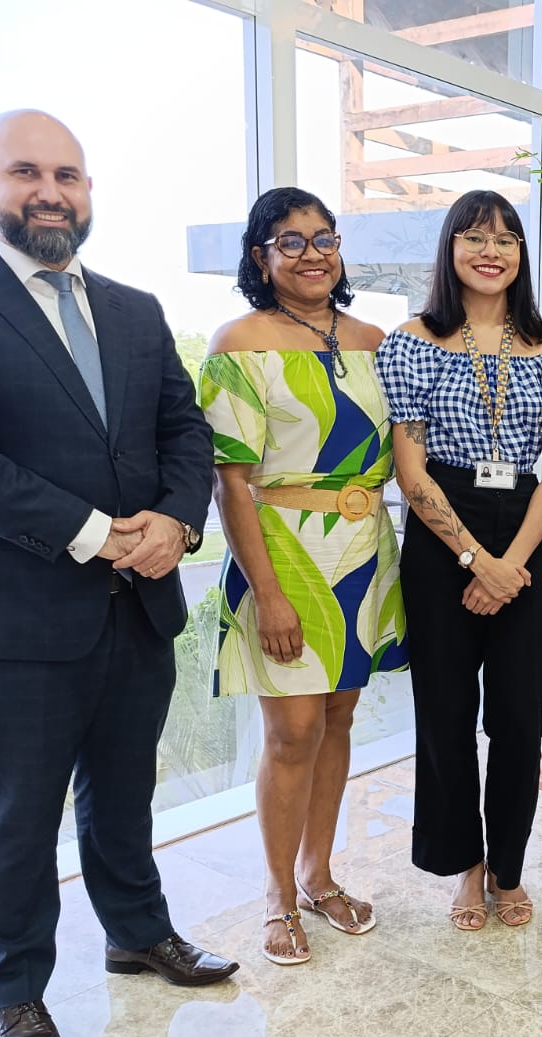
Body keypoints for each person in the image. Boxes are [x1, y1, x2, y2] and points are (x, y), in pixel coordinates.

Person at [0, 111, 237, 1037]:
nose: (51, 192)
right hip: (17, 613)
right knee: (17, 814)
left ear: (89, 191)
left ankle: (136, 931)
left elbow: (186, 434)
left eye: (69, 176)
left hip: (141, 601)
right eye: (26, 173)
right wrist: (97, 535)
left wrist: (176, 522)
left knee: (125, 791)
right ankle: (13, 993)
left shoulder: (132, 308)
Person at [201, 187, 407, 966]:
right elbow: (233, 482)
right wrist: (270, 592)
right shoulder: (239, 342)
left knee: (340, 721)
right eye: (291, 242)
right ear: (261, 257)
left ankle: (322, 876)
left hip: (363, 552)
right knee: (291, 733)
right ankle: (277, 893)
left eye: (325, 238)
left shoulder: (372, 339)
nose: (313, 253)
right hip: (283, 553)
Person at [376, 190, 542, 931]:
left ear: (521, 255)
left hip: (525, 524)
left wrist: (511, 563)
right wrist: (473, 557)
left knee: (520, 717)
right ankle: (464, 865)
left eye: (505, 240)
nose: (490, 252)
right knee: (446, 713)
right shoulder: (412, 340)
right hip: (442, 534)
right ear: (450, 250)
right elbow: (411, 471)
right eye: (473, 238)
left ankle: (508, 867)